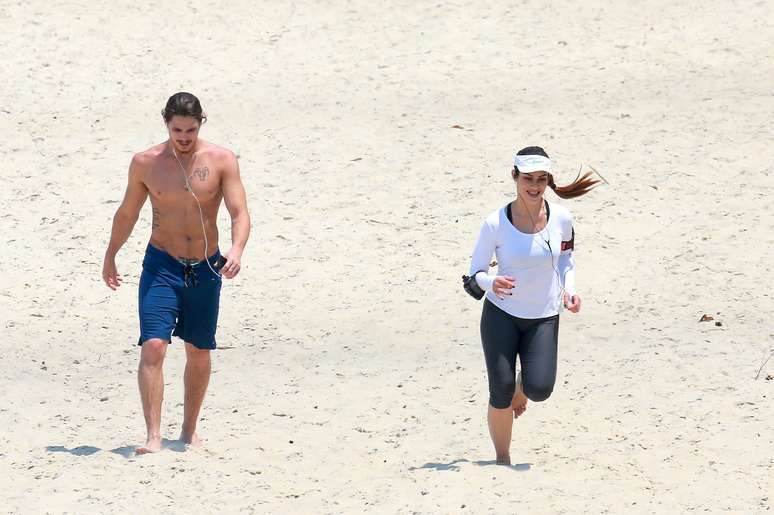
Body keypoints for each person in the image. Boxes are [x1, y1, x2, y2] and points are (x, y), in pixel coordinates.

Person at [101, 92, 251, 454]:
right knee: (153, 345)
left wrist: (237, 249)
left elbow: (239, 211)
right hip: (162, 264)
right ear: (166, 123)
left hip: (206, 266)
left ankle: (188, 431)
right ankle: (153, 436)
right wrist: (111, 255)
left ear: (201, 123)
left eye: (191, 129)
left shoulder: (221, 159)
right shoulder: (145, 162)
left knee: (199, 350)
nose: (184, 136)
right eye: (177, 129)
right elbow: (127, 213)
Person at [468, 146, 598, 465]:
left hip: (543, 316)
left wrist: (570, 292)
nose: (535, 185)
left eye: (541, 179)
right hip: (501, 315)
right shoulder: (495, 223)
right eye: (528, 178)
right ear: (515, 177)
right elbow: (473, 275)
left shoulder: (562, 219)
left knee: (540, 388)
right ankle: (502, 459)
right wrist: (491, 282)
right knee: (499, 390)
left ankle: (521, 390)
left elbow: (567, 258)